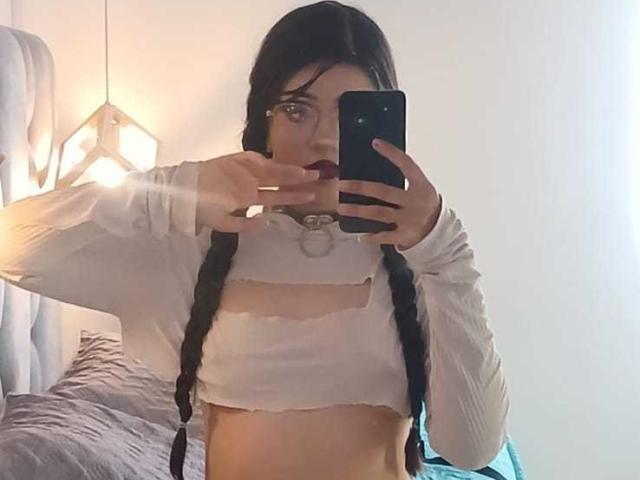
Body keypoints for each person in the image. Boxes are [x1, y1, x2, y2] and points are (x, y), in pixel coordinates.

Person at [0, 2, 510, 479]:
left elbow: (472, 449)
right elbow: (12, 244)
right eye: (297, 110)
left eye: (349, 113)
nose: (323, 137)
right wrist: (175, 190)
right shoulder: (200, 252)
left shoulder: (418, 262)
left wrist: (443, 246)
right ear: (263, 122)